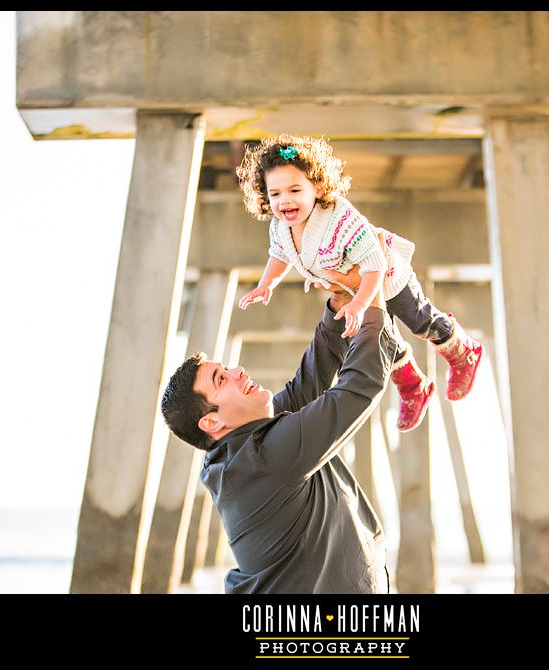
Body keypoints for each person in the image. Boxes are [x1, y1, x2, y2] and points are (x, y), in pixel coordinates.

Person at [161, 278, 397, 594]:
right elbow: (358, 388)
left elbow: (307, 385)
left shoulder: (246, 446)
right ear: (212, 422)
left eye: (227, 368)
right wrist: (373, 291)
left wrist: (339, 305)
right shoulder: (263, 460)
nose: (238, 371)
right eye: (222, 379)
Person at [235, 134, 484, 432]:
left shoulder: (339, 218)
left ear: (317, 187)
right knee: (381, 340)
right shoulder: (280, 228)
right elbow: (279, 256)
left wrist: (360, 302)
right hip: (354, 290)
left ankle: (462, 351)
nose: (284, 200)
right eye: (275, 194)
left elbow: (375, 262)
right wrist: (267, 284)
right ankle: (414, 387)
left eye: (294, 189)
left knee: (420, 320)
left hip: (385, 276)